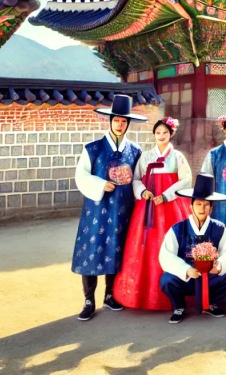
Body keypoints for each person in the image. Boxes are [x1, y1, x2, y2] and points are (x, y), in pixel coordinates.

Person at [71, 94, 146, 321]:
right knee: (91, 252)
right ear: (110, 121)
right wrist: (101, 184)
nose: (120, 124)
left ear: (128, 123)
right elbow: (81, 175)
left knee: (117, 250)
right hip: (97, 208)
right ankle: (88, 300)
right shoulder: (92, 148)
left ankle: (110, 295)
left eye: (124, 121)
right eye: (116, 120)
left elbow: (138, 178)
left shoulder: (135, 151)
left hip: (123, 209)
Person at [113, 117, 193, 310]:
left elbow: (186, 179)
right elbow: (136, 179)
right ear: (154, 135)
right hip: (148, 207)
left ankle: (179, 293)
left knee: (174, 244)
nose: (161, 136)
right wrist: (143, 192)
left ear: (171, 134)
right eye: (158, 133)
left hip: (172, 206)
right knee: (145, 244)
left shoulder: (177, 157)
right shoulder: (146, 156)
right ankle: (143, 295)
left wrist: (166, 195)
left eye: (165, 133)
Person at [159, 173, 226, 324]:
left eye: (206, 205)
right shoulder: (178, 229)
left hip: (210, 277)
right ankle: (179, 306)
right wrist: (185, 269)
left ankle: (209, 303)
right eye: (198, 204)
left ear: (211, 207)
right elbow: (166, 255)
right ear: (191, 206)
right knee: (166, 280)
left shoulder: (219, 228)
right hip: (188, 278)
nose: (202, 208)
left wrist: (219, 265)